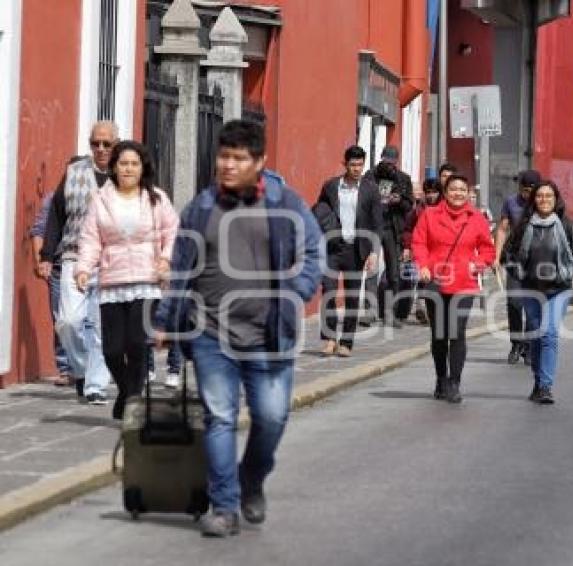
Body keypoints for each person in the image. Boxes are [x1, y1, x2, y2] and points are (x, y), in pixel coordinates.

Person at [154, 120, 323, 537]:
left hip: (269, 336)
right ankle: (225, 506)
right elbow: (181, 269)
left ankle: (252, 479)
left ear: (259, 162)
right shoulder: (202, 206)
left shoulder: (285, 201)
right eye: (224, 156)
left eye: (238, 158)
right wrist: (166, 321)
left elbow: (314, 250)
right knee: (220, 418)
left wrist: (296, 291)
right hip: (211, 333)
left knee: (271, 418)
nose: (228, 165)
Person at [75, 140, 179, 420]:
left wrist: (166, 259)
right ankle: (126, 391)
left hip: (147, 280)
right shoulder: (101, 199)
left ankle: (133, 398)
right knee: (111, 349)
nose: (128, 169)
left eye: (134, 163)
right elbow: (90, 239)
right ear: (114, 167)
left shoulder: (157, 197)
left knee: (136, 344)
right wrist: (83, 268)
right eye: (123, 163)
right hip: (112, 282)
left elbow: (172, 232)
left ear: (142, 167)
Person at [39, 121, 118, 404]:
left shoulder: (127, 173)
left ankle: (96, 386)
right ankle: (82, 369)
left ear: (116, 144)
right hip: (74, 255)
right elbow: (56, 215)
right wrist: (47, 255)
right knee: (68, 322)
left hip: (111, 259)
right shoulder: (74, 172)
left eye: (106, 144)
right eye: (95, 143)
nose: (100, 149)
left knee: (100, 327)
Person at [412, 174, 495, 403]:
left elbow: (488, 251)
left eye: (462, 189)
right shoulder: (429, 215)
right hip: (435, 281)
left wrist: (476, 265)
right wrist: (423, 266)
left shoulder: (476, 218)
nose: (458, 193)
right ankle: (440, 378)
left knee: (456, 332)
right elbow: (419, 243)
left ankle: (454, 382)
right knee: (439, 334)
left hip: (463, 283)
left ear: (468, 193)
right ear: (445, 193)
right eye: (453, 189)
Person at [511, 181, 573, 404]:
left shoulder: (567, 226)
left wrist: (566, 273)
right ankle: (537, 380)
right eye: (540, 196)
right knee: (535, 333)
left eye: (549, 196)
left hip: (558, 289)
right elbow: (508, 255)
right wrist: (520, 273)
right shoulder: (524, 226)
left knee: (550, 333)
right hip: (531, 289)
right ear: (534, 199)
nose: (544, 200)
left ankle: (545, 387)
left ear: (556, 200)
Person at [314, 145, 383, 357]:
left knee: (352, 296)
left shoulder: (370, 189)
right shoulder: (331, 186)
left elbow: (377, 223)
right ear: (345, 164)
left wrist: (373, 252)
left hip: (357, 249)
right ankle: (329, 338)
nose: (356, 168)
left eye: (360, 164)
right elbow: (320, 211)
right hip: (333, 247)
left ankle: (346, 342)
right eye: (353, 164)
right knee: (328, 291)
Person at [363, 145, 414, 328]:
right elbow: (362, 200)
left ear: (396, 163)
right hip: (374, 226)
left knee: (394, 272)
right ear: (381, 158)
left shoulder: (403, 179)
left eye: (392, 163)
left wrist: (399, 200)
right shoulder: (370, 176)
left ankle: (389, 313)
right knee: (371, 269)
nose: (389, 166)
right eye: (386, 162)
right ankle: (370, 310)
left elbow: (410, 206)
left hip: (393, 229)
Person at [493, 169, 540, 365]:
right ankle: (516, 343)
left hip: (537, 261)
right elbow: (503, 229)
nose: (525, 193)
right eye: (523, 188)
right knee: (514, 303)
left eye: (529, 190)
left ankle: (529, 345)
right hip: (513, 259)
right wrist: (496, 256)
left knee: (531, 304)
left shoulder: (543, 202)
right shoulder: (511, 203)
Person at [31, 189, 74, 386]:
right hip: (58, 266)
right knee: (61, 319)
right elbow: (39, 230)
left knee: (88, 321)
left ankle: (86, 367)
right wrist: (40, 261)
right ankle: (65, 368)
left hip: (87, 267)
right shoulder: (53, 199)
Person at [398, 178, 442, 323]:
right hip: (422, 249)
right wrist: (406, 246)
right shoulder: (418, 209)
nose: (431, 195)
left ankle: (430, 308)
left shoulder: (445, 208)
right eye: (428, 192)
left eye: (434, 192)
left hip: (440, 250)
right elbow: (408, 229)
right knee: (422, 278)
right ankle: (421, 306)